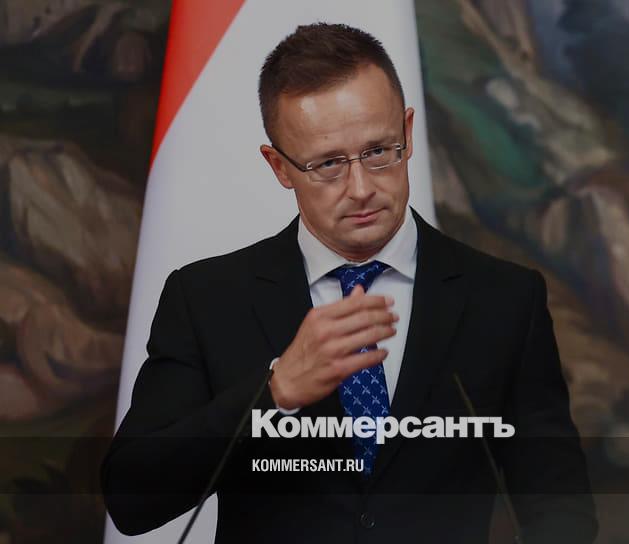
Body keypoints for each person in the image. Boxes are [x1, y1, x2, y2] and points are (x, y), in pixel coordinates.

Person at [101, 22, 596, 543]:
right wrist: (273, 393)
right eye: (329, 164)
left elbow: (560, 507)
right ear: (279, 167)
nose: (361, 188)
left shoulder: (505, 300)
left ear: (408, 132)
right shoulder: (207, 299)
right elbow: (132, 501)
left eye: (378, 151)